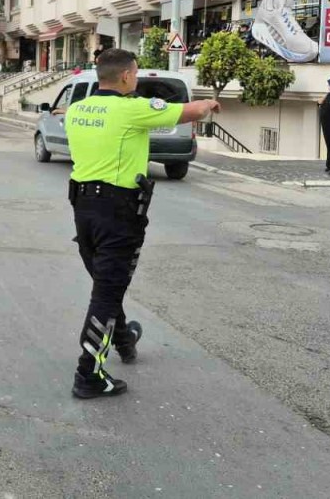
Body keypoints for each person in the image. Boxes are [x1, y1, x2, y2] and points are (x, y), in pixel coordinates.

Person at [64, 49, 220, 398]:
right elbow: (188, 112)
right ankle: (87, 374)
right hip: (118, 212)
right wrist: (209, 103)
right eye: (135, 74)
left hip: (83, 208)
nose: (135, 79)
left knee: (107, 282)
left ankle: (123, 340)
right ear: (125, 77)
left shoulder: (78, 109)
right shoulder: (131, 109)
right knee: (106, 291)